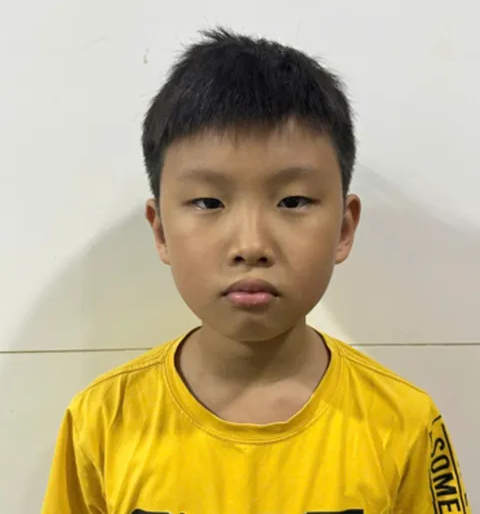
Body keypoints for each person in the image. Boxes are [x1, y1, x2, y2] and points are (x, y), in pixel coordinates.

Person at [42, 28, 470, 513]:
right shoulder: (101, 422)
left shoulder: (404, 423)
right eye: (209, 202)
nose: (251, 245)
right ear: (160, 230)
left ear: (344, 228)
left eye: (293, 201)